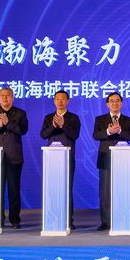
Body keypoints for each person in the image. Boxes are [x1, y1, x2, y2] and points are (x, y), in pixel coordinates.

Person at [0, 87, 28, 229]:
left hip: (14, 156)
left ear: (13, 98)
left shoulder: (20, 113)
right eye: (2, 96)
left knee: (14, 189)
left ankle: (15, 219)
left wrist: (9, 123)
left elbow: (23, 130)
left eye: (7, 95)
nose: (5, 98)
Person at [92, 92, 130, 230]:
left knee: (123, 190)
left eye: (117, 101)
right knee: (105, 192)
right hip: (106, 157)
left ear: (121, 103)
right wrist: (109, 131)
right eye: (112, 101)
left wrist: (120, 130)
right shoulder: (100, 119)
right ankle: (106, 222)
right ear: (107, 104)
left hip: (124, 160)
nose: (115, 103)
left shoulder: (128, 120)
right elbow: (96, 135)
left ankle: (123, 219)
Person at [40, 90, 81, 229]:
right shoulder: (48, 117)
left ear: (68, 101)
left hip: (68, 157)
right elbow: (43, 135)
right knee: (52, 189)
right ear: (54, 101)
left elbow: (75, 135)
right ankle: (52, 218)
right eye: (57, 99)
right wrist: (53, 126)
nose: (60, 101)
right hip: (52, 158)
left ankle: (68, 220)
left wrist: (63, 125)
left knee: (66, 189)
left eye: (63, 99)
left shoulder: (74, 118)